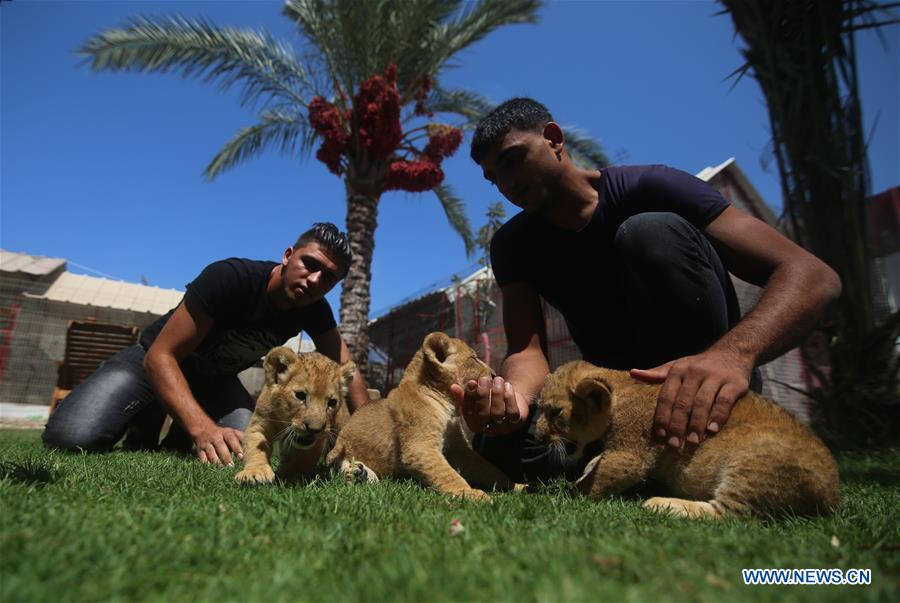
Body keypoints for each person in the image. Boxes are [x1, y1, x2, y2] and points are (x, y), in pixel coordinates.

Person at [454, 98, 841, 482]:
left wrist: (732, 356)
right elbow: (527, 349)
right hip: (610, 405)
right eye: (494, 177)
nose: (506, 184)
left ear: (554, 138)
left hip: (705, 382)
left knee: (648, 232)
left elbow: (812, 275)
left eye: (512, 159)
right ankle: (639, 458)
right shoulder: (513, 244)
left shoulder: (651, 186)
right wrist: (514, 402)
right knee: (498, 449)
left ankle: (693, 432)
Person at [43, 222, 370, 469]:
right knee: (71, 438)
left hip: (216, 381)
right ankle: (151, 412)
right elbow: (161, 355)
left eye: (327, 277)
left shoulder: (314, 308)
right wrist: (202, 428)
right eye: (310, 264)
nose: (314, 280)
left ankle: (171, 433)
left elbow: (347, 371)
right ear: (288, 256)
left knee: (244, 447)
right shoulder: (230, 278)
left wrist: (367, 435)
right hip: (153, 364)